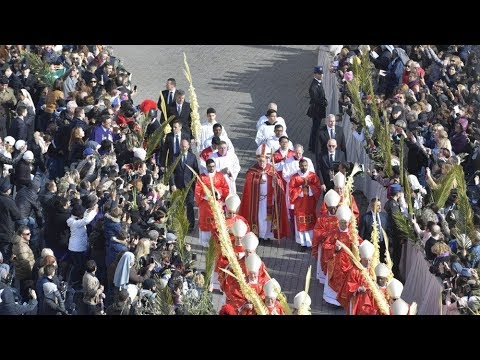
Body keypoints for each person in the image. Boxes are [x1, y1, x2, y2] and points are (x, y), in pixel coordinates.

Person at [239, 145, 289, 242]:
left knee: (268, 218)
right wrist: (257, 182)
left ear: (267, 160)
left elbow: (279, 185)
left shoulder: (272, 170)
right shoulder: (252, 171)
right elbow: (249, 182)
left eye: (263, 161)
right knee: (259, 217)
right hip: (257, 201)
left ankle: (267, 236)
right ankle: (259, 234)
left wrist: (275, 183)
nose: (261, 163)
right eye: (260, 161)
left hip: (269, 200)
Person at [194, 159, 230, 247]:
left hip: (217, 204)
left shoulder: (219, 176)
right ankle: (206, 242)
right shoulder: (202, 177)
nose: (212, 168)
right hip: (205, 205)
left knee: (217, 222)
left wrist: (218, 192)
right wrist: (207, 194)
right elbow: (198, 191)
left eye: (213, 166)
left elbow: (225, 188)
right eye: (210, 166)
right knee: (206, 222)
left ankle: (217, 241)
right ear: (206, 167)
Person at [289, 159, 322, 249]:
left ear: (308, 166)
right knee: (301, 223)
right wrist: (300, 187)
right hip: (300, 204)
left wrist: (309, 187)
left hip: (310, 203)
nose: (304, 167)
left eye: (305, 165)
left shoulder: (312, 176)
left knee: (311, 222)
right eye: (302, 166)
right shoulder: (295, 177)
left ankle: (311, 242)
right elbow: (291, 190)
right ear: (299, 166)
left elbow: (318, 188)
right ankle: (303, 243)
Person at [312, 189, 341, 284]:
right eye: (330, 208)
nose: (333, 210)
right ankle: (324, 278)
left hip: (337, 246)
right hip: (325, 246)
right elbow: (317, 232)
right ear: (327, 207)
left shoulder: (340, 217)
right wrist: (327, 235)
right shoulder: (322, 219)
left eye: (334, 208)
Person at [170, 139, 198, 231]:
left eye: (185, 146)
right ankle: (179, 225)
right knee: (178, 206)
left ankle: (191, 225)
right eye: (182, 146)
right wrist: (172, 184)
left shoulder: (192, 157)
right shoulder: (174, 157)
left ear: (188, 146)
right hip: (178, 186)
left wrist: (196, 185)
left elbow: (196, 171)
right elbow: (171, 172)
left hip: (189, 186)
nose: (183, 148)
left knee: (190, 205)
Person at [359, 197, 389, 263]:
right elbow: (361, 234)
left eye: (380, 205)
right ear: (372, 206)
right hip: (370, 246)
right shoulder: (365, 217)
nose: (380, 207)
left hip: (382, 245)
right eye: (378, 206)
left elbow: (388, 230)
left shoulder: (384, 216)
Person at [307, 66, 327, 153]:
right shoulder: (313, 86)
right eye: (319, 74)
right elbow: (316, 99)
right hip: (316, 111)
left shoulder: (319, 83)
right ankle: (313, 147)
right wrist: (324, 102)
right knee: (315, 129)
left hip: (319, 110)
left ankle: (312, 146)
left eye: (321, 73)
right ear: (315, 74)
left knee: (316, 128)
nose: (321, 75)